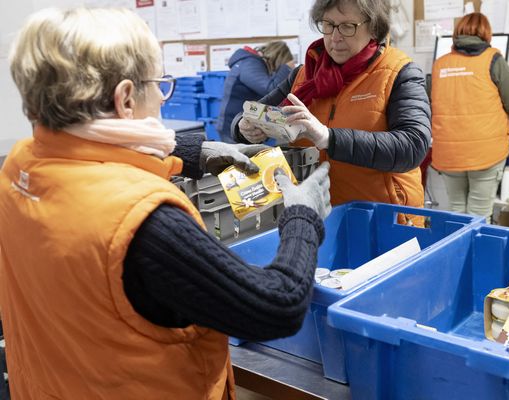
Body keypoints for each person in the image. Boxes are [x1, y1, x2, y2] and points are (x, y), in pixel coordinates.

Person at [0, 7, 331, 399]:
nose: (161, 94)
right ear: (125, 98)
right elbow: (276, 306)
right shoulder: (145, 224)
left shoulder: (19, 169)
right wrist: (303, 216)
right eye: (158, 83)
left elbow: (96, 155)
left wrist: (194, 151)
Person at [232, 0, 431, 225]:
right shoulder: (303, 75)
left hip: (384, 220)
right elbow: (253, 113)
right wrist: (244, 127)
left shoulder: (399, 72)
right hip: (316, 219)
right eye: (328, 24)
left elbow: (413, 147)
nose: (335, 37)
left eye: (348, 26)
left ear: (374, 28)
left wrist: (329, 138)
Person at [430, 12, 509, 221]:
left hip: (449, 153)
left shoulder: (439, 64)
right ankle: (480, 254)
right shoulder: (493, 59)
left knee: (456, 212)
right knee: (479, 215)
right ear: (486, 34)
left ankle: (459, 253)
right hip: (485, 153)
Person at [216, 41, 295, 143]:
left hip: (243, 122)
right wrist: (287, 68)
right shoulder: (250, 63)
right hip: (234, 126)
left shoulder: (251, 62)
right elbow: (269, 89)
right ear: (277, 59)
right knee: (239, 158)